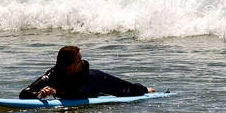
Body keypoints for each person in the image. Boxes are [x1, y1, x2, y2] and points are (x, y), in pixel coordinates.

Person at [19, 45, 155, 99]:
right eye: (78, 61)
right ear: (67, 66)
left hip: (98, 81)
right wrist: (39, 93)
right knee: (97, 95)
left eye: (81, 59)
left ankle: (145, 89)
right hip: (86, 91)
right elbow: (23, 94)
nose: (82, 62)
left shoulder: (85, 68)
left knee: (132, 91)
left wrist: (55, 92)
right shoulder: (52, 74)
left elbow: (76, 93)